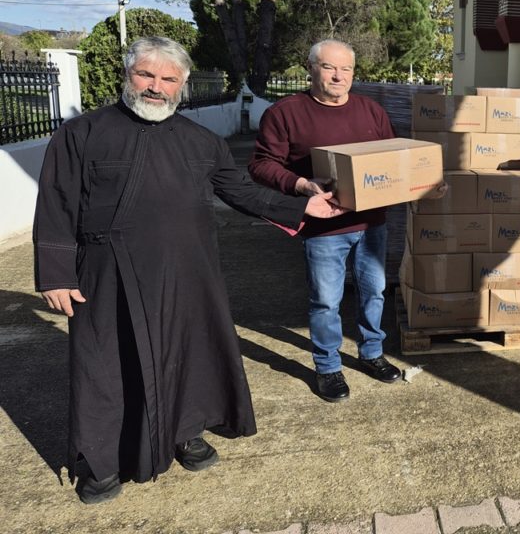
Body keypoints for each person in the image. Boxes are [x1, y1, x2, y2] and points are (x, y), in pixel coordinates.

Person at [33, 37, 344, 505]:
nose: (156, 87)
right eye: (146, 75)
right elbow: (55, 201)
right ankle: (101, 462)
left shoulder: (203, 142)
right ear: (128, 75)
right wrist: (56, 273)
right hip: (108, 274)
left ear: (181, 86)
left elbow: (242, 191)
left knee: (190, 356)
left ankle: (186, 432)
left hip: (188, 270)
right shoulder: (82, 134)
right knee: (107, 367)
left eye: (168, 79)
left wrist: (302, 205)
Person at [249, 39, 402, 403]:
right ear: (311, 68)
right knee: (325, 301)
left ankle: (371, 353)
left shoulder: (371, 111)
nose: (339, 76)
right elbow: (260, 164)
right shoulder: (286, 113)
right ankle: (328, 366)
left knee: (374, 292)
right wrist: (301, 184)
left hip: (372, 224)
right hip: (324, 228)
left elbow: (393, 158)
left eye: (346, 69)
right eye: (329, 67)